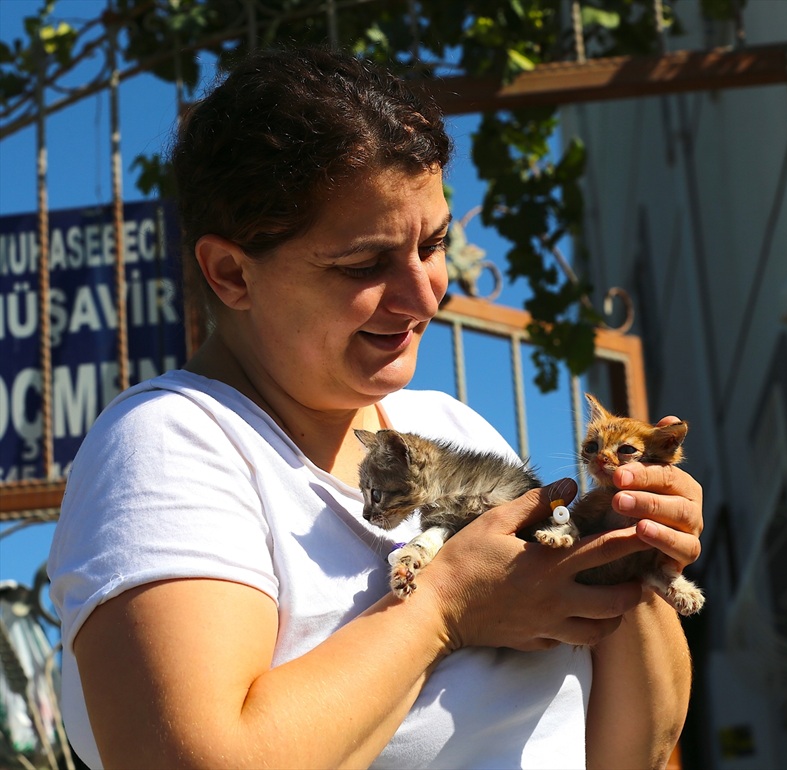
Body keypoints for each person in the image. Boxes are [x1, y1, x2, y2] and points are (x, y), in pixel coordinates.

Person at [48, 46, 702, 770]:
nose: (425, 294)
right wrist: (443, 610)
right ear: (231, 273)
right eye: (364, 265)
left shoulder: (450, 427)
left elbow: (637, 746)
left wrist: (626, 549)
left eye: (434, 243)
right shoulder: (173, 443)